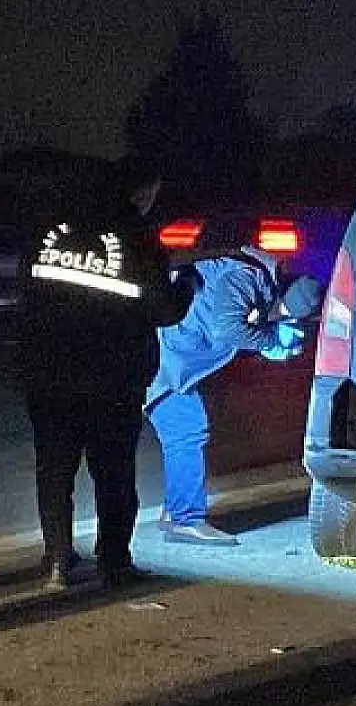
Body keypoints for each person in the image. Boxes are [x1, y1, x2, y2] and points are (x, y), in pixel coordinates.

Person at [17, 160, 193, 590]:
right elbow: (164, 311)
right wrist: (187, 286)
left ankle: (58, 560)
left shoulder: (48, 228)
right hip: (112, 377)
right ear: (140, 193)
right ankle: (113, 564)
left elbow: (28, 289)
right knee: (113, 474)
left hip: (47, 372)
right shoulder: (136, 236)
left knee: (54, 471)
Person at [145, 245, 323, 545]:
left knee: (185, 430)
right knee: (188, 430)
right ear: (282, 295)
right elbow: (227, 330)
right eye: (283, 314)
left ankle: (177, 511)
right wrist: (269, 341)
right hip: (161, 356)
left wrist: (269, 337)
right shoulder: (247, 277)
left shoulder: (253, 279)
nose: (278, 319)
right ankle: (185, 519)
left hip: (167, 355)